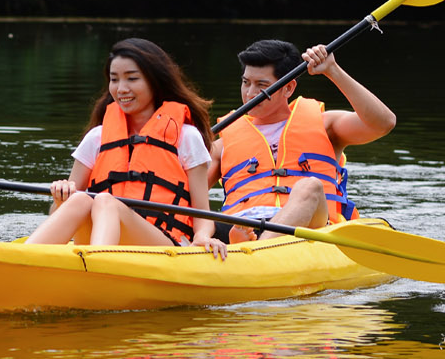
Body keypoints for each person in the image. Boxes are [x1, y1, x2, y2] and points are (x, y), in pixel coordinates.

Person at [26, 38, 228, 255]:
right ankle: (24, 258)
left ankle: (99, 268)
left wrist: (202, 237)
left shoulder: (186, 137)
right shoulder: (97, 137)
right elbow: (59, 213)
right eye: (114, 80)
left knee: (105, 201)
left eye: (132, 79)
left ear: (155, 81)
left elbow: (201, 213)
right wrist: (60, 198)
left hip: (163, 244)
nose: (121, 89)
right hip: (97, 237)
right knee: (80, 198)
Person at [214, 39, 396, 243]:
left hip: (307, 227)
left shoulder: (326, 125)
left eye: (261, 86)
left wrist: (332, 70)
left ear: (288, 88)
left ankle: (261, 248)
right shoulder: (222, 144)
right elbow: (187, 192)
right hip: (241, 226)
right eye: (246, 82)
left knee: (310, 186)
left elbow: (384, 123)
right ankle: (246, 246)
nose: (249, 94)